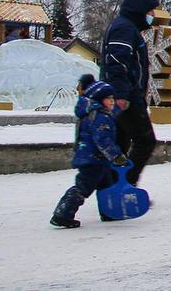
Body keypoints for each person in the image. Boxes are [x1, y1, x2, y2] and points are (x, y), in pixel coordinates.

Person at [102, 0, 159, 187]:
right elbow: (117, 62)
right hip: (126, 98)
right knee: (145, 140)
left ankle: (112, 189)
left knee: (120, 145)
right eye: (150, 11)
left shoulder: (128, 28)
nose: (152, 15)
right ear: (139, 9)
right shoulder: (125, 29)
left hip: (124, 95)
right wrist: (121, 94)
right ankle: (125, 185)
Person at [50, 81, 127, 228]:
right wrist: (116, 155)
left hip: (97, 159)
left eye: (113, 98)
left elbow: (110, 117)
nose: (112, 102)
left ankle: (108, 212)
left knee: (107, 186)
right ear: (99, 100)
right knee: (83, 187)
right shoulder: (100, 117)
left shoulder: (97, 114)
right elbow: (102, 139)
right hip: (93, 160)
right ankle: (62, 214)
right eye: (108, 99)